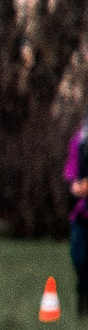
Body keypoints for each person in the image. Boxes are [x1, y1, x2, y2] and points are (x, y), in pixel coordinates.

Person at [65, 112, 88, 305]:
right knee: (79, 258)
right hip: (82, 214)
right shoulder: (79, 141)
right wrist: (76, 185)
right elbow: (71, 171)